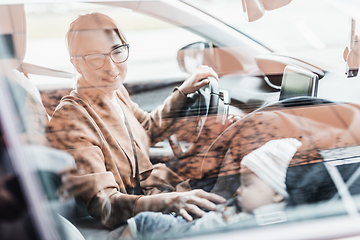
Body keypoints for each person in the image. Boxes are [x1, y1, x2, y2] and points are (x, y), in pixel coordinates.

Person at [46, 12, 226, 229]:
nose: (112, 68)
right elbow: (105, 204)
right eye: (95, 58)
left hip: (165, 188)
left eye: (117, 51)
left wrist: (183, 92)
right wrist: (170, 201)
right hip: (139, 216)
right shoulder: (71, 118)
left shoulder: (115, 92)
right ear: (76, 64)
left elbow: (147, 129)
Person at [111, 138, 302, 240]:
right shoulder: (251, 204)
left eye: (248, 184)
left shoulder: (270, 220)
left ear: (278, 193)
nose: (240, 191)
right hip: (194, 225)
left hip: (192, 232)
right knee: (144, 221)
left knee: (146, 222)